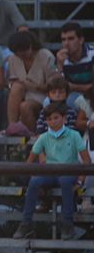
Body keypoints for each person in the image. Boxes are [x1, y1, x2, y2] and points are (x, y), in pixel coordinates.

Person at [13, 102, 90, 240]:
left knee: (65, 181)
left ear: (64, 119)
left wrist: (80, 180)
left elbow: (86, 161)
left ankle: (68, 224)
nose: (53, 122)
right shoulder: (43, 137)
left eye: (56, 118)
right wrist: (33, 177)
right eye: (49, 119)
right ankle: (26, 223)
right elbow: (29, 162)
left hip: (68, 173)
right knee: (35, 181)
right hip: (49, 173)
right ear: (46, 121)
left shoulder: (74, 135)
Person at [6, 32, 57, 131]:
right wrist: (11, 84)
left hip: (43, 95)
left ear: (31, 46)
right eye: (18, 53)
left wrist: (32, 85)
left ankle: (33, 136)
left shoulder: (46, 56)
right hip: (21, 95)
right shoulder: (13, 59)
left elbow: (53, 87)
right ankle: (12, 126)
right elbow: (9, 82)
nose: (22, 55)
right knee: (16, 87)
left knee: (25, 106)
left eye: (24, 52)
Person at [56, 22, 94, 106]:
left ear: (81, 40)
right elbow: (57, 87)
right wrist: (59, 66)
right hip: (72, 94)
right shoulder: (61, 58)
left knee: (72, 101)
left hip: (91, 95)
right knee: (47, 102)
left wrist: (73, 87)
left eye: (71, 39)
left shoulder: (92, 55)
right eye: (63, 39)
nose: (66, 43)